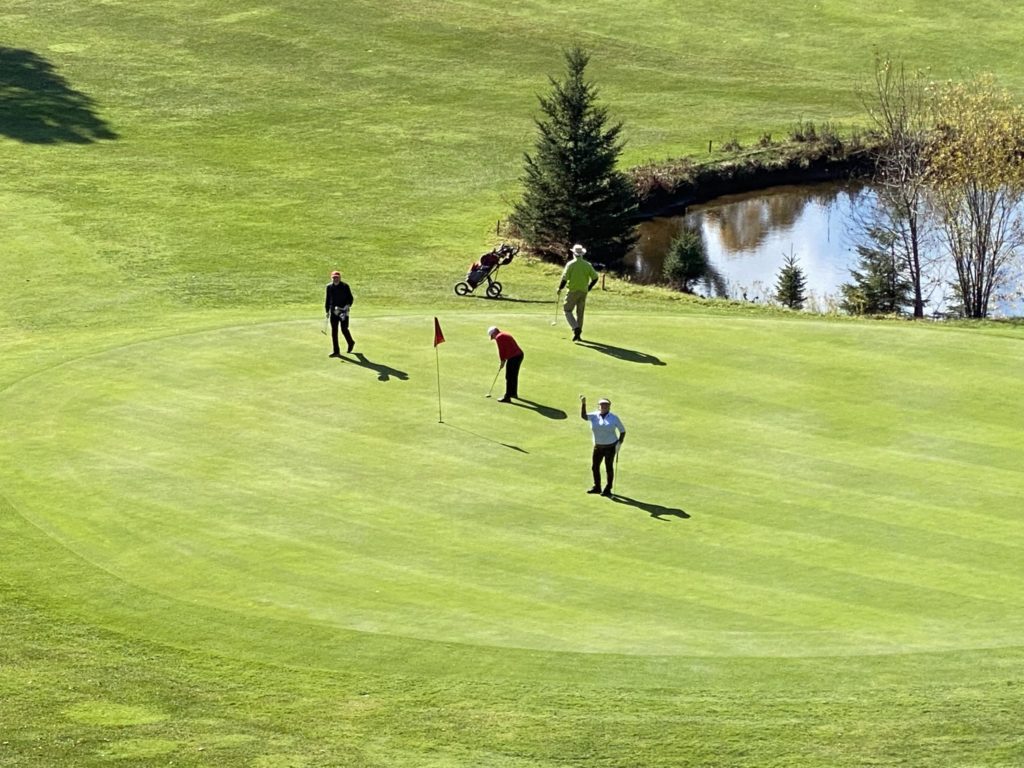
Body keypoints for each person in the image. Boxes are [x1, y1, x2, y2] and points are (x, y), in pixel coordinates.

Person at [580, 396, 625, 497]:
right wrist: (583, 404)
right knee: (595, 467)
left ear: (609, 407)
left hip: (610, 447)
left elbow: (622, 431)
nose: (604, 406)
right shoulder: (594, 416)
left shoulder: (614, 418)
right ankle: (597, 487)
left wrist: (619, 442)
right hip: (598, 447)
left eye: (606, 405)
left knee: (608, 467)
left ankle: (608, 488)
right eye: (602, 405)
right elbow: (584, 416)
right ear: (598, 406)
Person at [557, 243, 599, 342]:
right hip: (583, 291)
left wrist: (559, 288)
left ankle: (576, 329)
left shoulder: (570, 264)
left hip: (573, 291)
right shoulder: (587, 265)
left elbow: (565, 279)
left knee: (567, 310)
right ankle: (578, 335)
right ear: (582, 254)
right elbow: (595, 278)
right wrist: (589, 287)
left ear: (574, 254)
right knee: (580, 313)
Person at [487, 326, 523, 403]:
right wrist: (504, 360)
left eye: (492, 336)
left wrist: (502, 361)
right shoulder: (503, 334)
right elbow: (506, 348)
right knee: (513, 376)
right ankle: (513, 393)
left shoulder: (499, 337)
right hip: (518, 355)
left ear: (494, 333)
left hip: (514, 357)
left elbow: (501, 350)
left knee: (509, 377)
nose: (493, 338)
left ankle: (507, 397)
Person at [324, 270, 355, 357]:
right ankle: (336, 351)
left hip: (343, 311)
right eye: (334, 278)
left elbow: (350, 298)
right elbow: (328, 299)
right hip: (334, 312)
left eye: (337, 277)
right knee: (334, 332)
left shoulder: (345, 286)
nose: (335, 279)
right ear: (331, 278)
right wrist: (327, 311)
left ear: (340, 278)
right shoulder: (329, 287)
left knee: (344, 329)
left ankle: (351, 342)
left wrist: (347, 306)